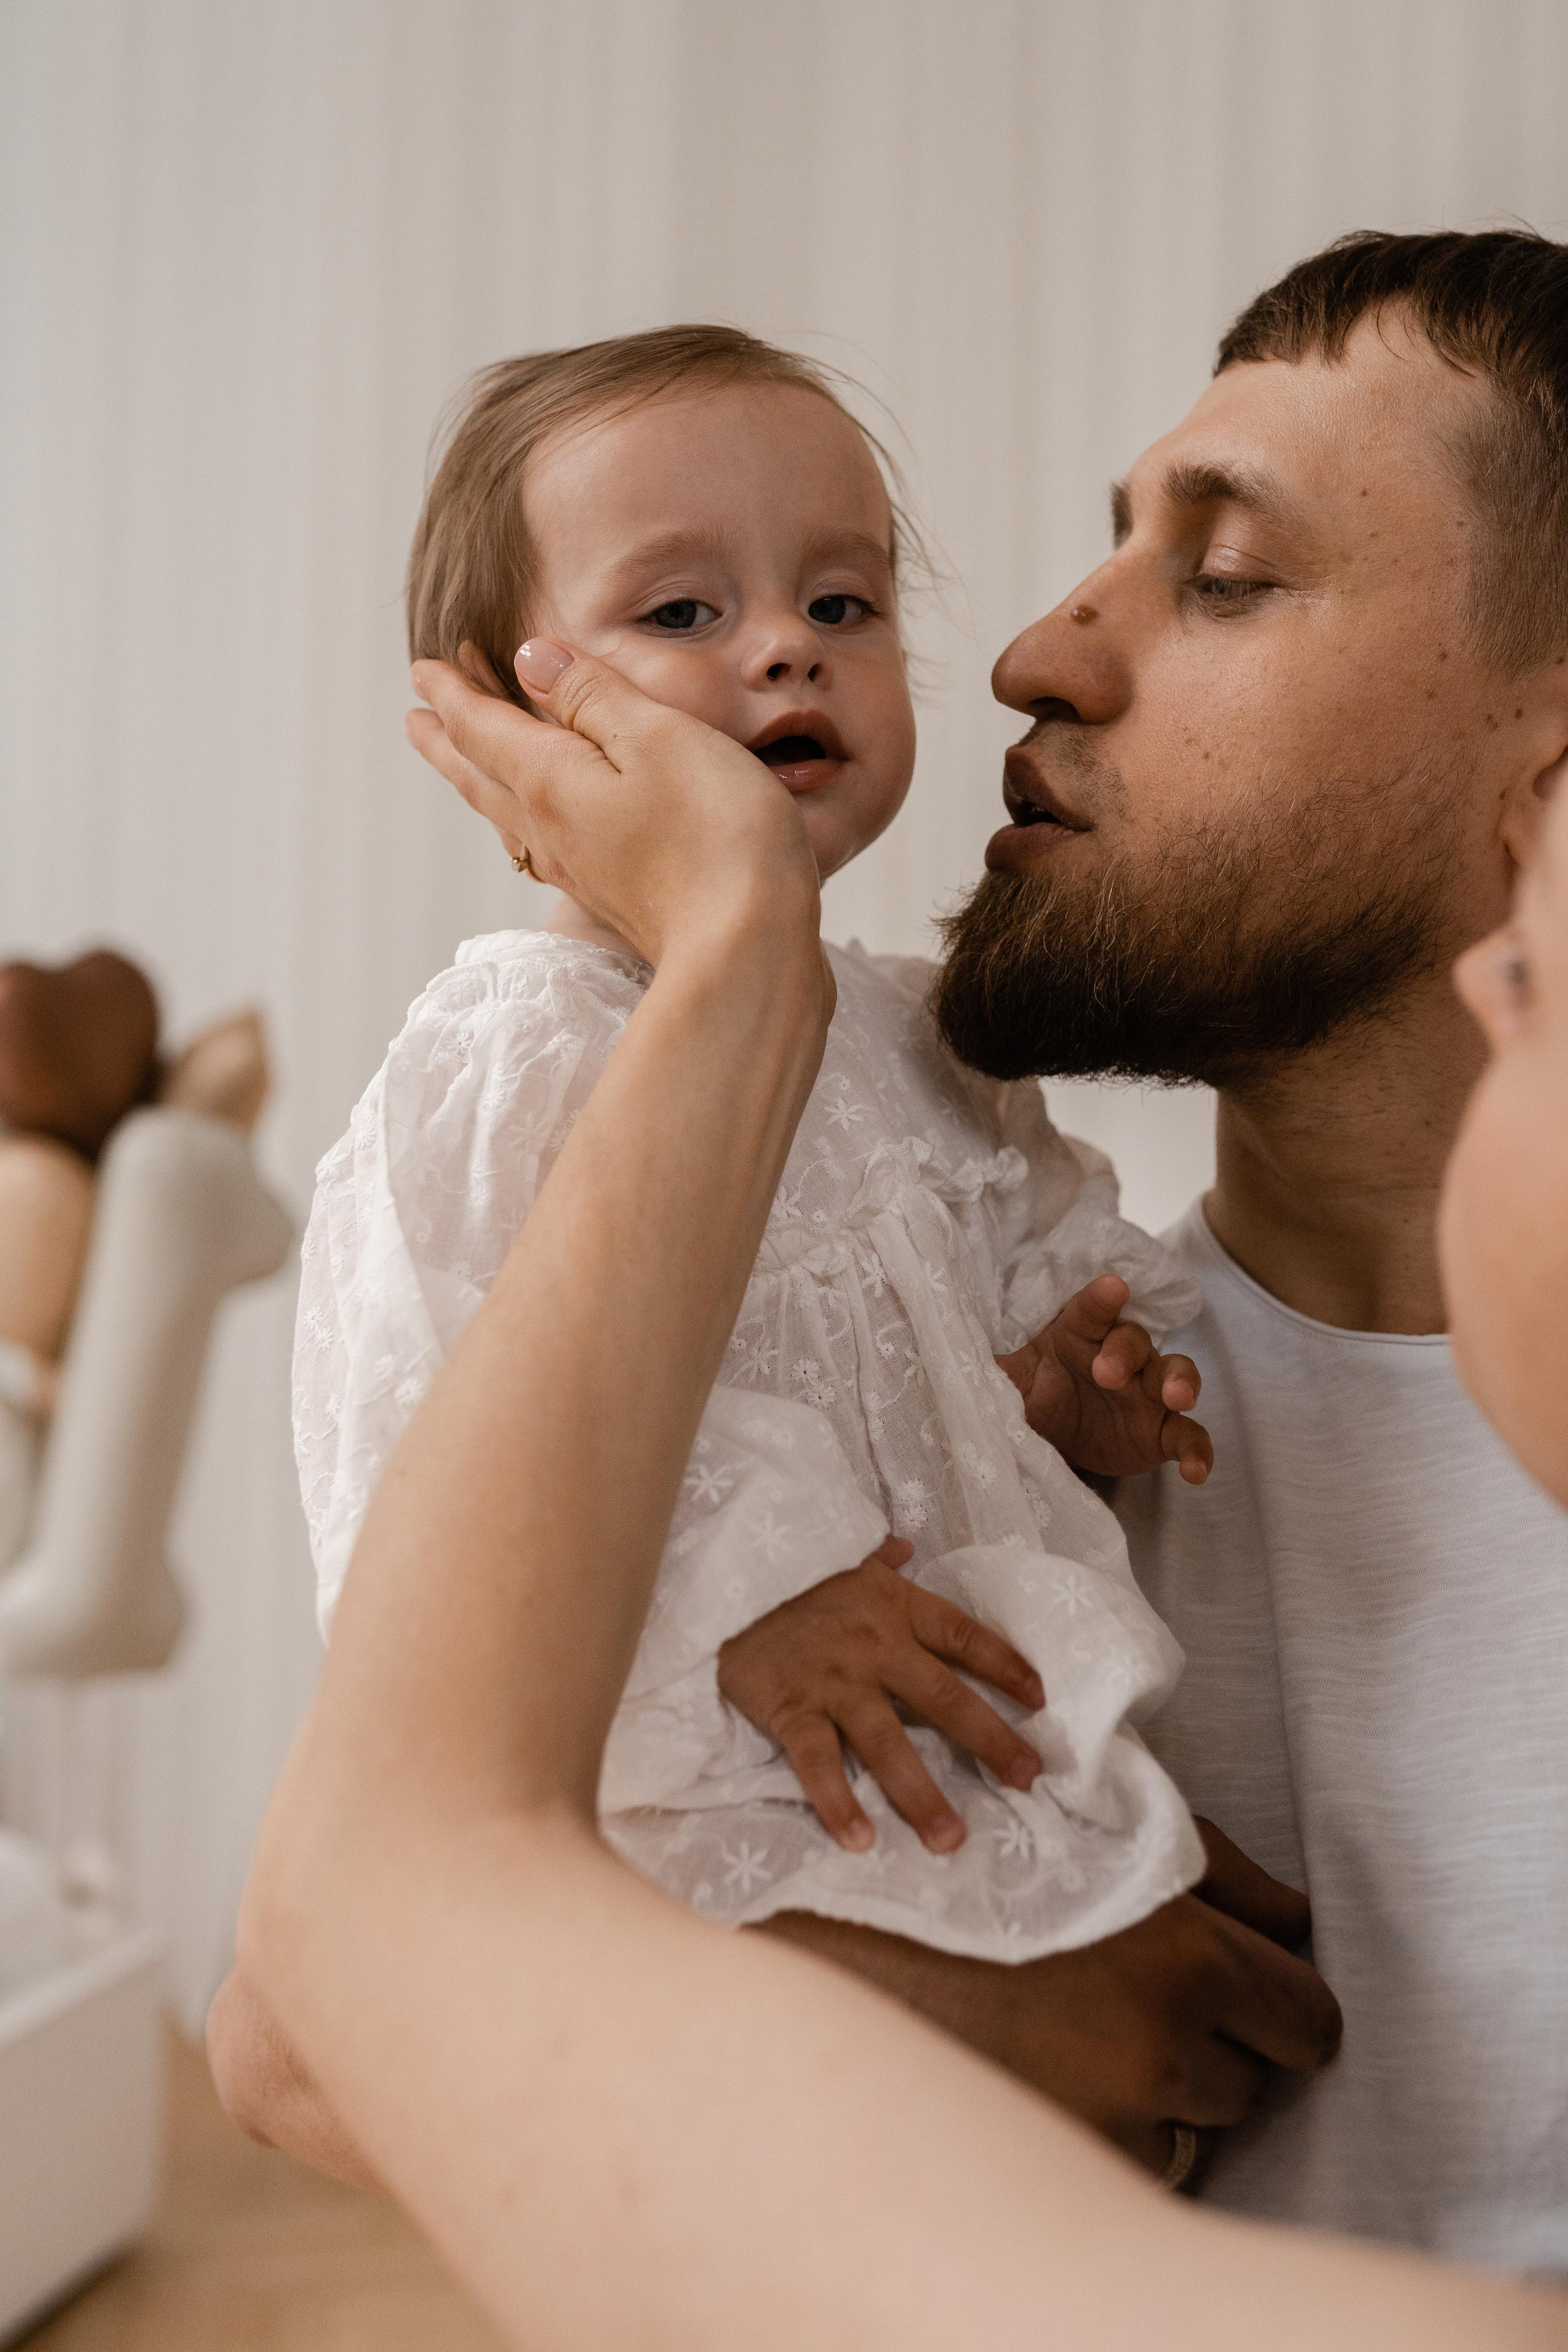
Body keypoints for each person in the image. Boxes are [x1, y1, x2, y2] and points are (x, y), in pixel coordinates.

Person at [214, 227, 1568, 2250]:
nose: (1032, 652)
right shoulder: (993, 1408)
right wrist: (942, 2004)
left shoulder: (1046, 1356)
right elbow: (292, 2025)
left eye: (1222, 575)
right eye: (688, 607)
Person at [295, 324, 1238, 2013]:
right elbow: (422, 1464)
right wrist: (747, 1605)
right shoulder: (514, 1051)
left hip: (968, 1751)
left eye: (843, 602)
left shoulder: (931, 1041)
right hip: (720, 1782)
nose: (789, 649)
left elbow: (983, 1350)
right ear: (510, 717)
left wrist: (1067, 1385)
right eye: (682, 613)